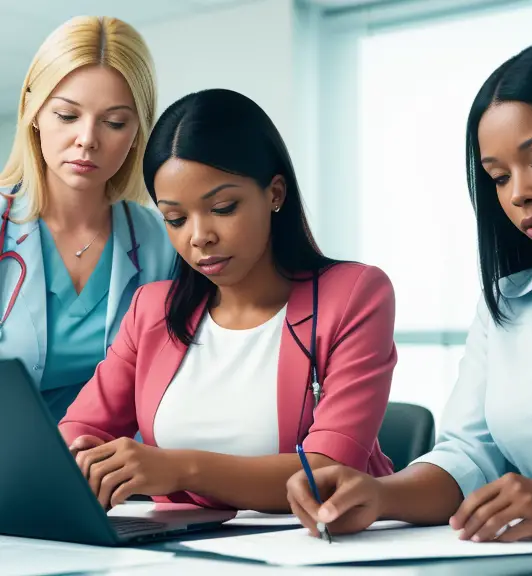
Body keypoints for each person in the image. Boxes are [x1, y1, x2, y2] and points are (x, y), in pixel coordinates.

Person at [287, 38, 532, 542]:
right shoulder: (508, 303)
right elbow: (468, 455)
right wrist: (379, 494)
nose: (518, 193)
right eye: (498, 177)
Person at [58, 88, 397, 512]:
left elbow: (328, 474)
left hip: (315, 547)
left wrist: (181, 469)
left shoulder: (354, 295)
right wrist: (75, 460)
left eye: (222, 207)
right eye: (175, 219)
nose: (198, 236)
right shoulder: (153, 309)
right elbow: (81, 429)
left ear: (274, 193)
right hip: (182, 551)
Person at [0, 16, 175, 421]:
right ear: (32, 110)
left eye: (115, 122)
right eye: (66, 116)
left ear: (137, 131)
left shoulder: (159, 242)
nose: (88, 139)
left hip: (109, 473)